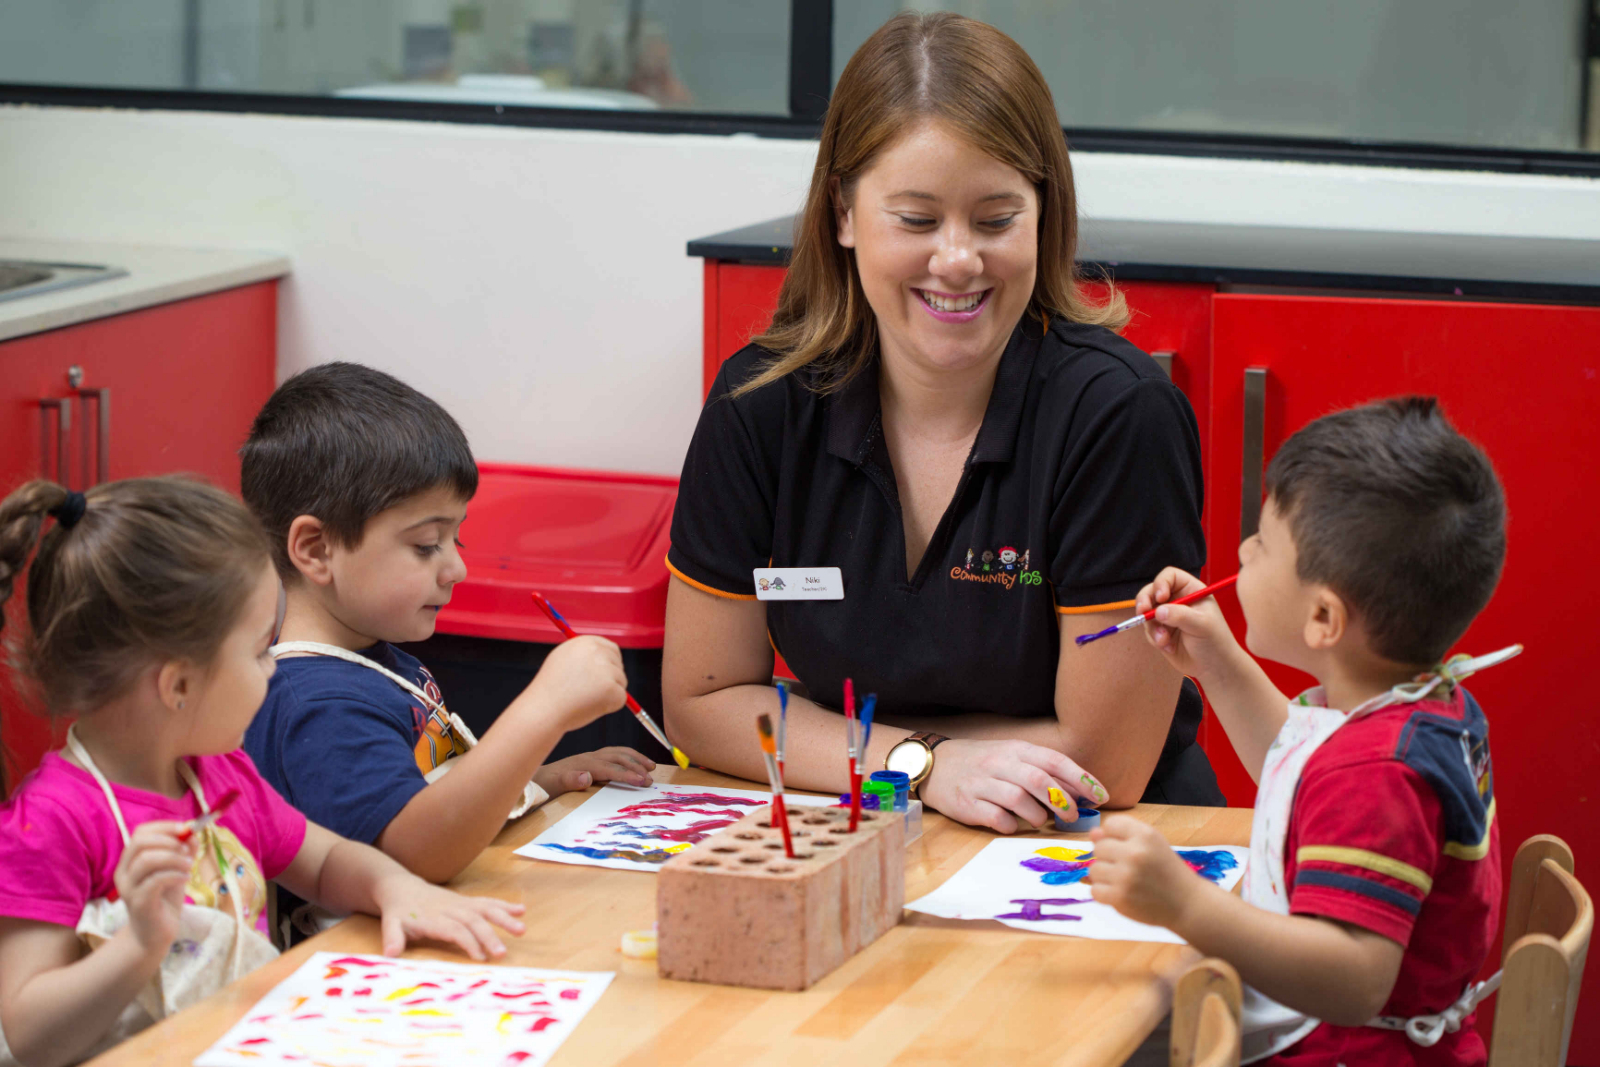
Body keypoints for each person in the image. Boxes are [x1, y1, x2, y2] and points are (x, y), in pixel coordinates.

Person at [663, 11, 1220, 832]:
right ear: (844, 216)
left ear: (1044, 215)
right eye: (916, 220)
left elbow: (1109, 761)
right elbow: (701, 703)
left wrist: (844, 744)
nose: (957, 260)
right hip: (866, 827)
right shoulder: (761, 404)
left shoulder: (1118, 416)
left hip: (1097, 849)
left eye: (996, 220)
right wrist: (922, 764)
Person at [0, 477, 524, 1067]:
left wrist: (394, 887)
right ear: (178, 685)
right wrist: (139, 947)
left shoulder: (221, 775)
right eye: (258, 652)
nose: (273, 670)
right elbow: (29, 1035)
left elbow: (324, 861)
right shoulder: (50, 823)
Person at [1088, 397, 1510, 1065]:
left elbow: (1354, 977)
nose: (1240, 551)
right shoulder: (1416, 704)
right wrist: (1217, 661)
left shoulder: (1378, 775)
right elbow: (1302, 771)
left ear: (1323, 617)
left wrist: (1184, 901)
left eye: (1261, 543)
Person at [241, 363, 654, 889]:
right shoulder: (318, 705)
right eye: (424, 545)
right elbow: (414, 853)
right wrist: (545, 708)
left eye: (454, 540)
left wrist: (544, 779)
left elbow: (436, 788)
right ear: (317, 550)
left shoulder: (376, 658)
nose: (456, 568)